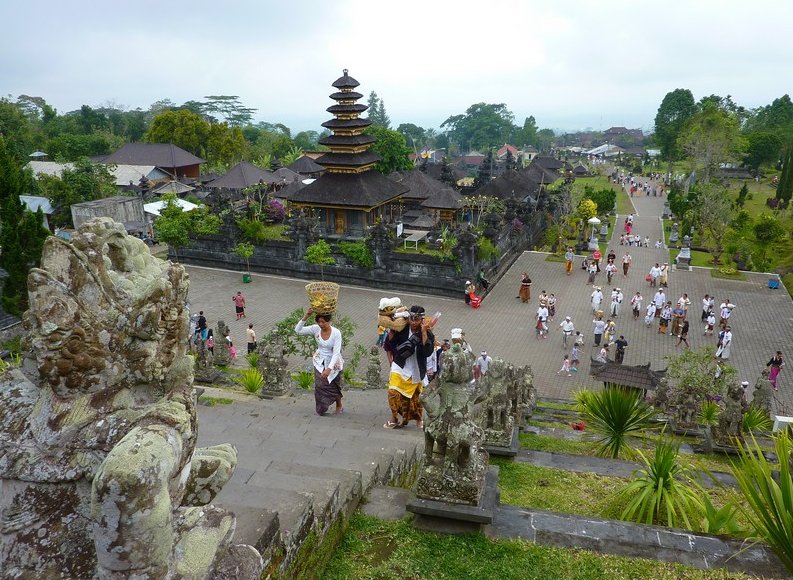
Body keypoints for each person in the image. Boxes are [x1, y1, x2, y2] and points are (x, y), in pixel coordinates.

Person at [383, 305, 434, 429]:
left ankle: (418, 418)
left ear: (422, 320)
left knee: (416, 397)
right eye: (411, 318)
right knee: (393, 392)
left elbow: (427, 352)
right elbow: (391, 344)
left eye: (416, 319)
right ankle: (394, 417)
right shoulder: (402, 328)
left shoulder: (428, 334)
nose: (413, 322)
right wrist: (391, 331)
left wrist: (423, 333)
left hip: (416, 367)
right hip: (400, 365)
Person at [295, 308, 344, 416]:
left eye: (323, 322)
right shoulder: (315, 329)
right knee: (320, 386)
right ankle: (321, 408)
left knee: (333, 385)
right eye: (319, 322)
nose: (321, 324)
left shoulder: (336, 333)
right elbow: (298, 330)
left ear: (329, 321)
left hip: (333, 363)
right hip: (319, 361)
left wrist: (329, 369)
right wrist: (306, 316)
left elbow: (336, 353)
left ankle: (339, 405)